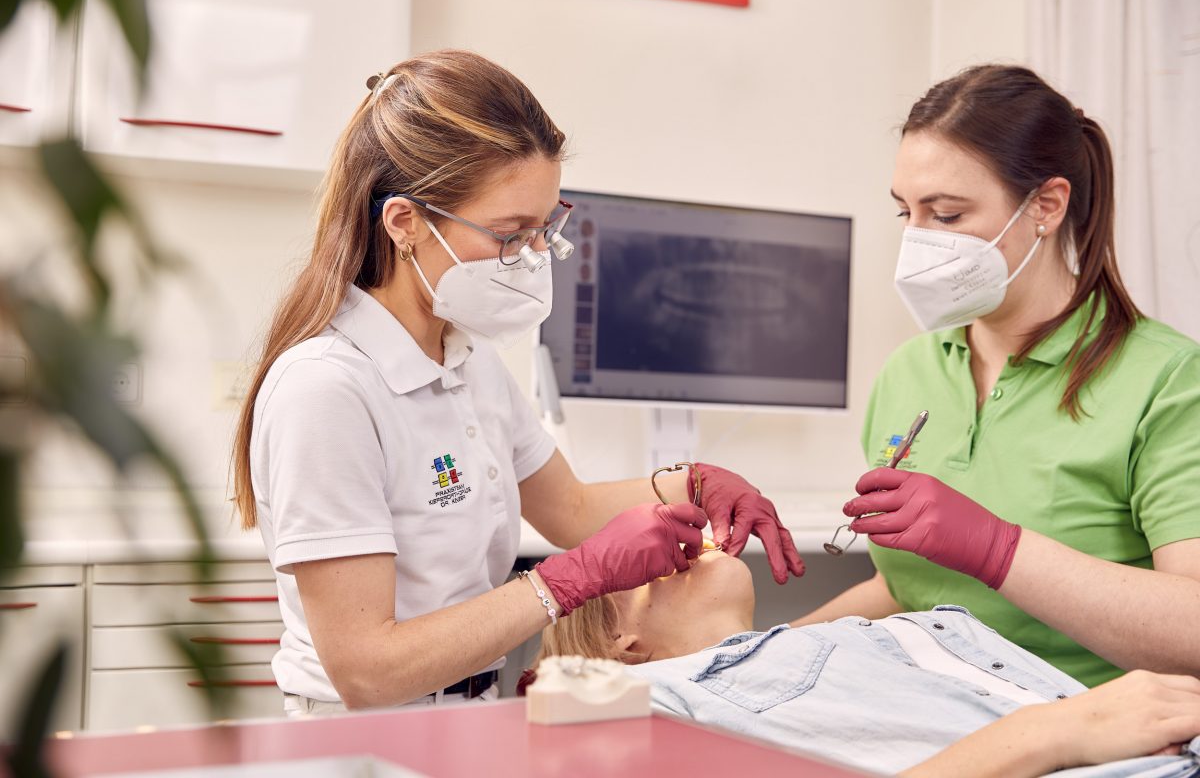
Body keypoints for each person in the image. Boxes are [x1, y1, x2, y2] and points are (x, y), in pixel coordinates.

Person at [230, 50, 804, 715]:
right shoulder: (326, 389)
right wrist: (568, 581)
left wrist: (696, 483)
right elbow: (366, 671)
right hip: (368, 731)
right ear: (405, 223)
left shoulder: (466, 359)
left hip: (470, 707)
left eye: (544, 229)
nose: (532, 258)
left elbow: (570, 510)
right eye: (509, 234)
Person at [801, 65, 1200, 687]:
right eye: (905, 212)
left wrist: (997, 548)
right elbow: (902, 590)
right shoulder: (910, 370)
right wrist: (762, 651)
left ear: (1046, 206)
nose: (916, 241)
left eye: (946, 215)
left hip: (1090, 718)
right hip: (929, 701)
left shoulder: (1168, 381)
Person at [528, 551, 1200, 778]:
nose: (675, 544)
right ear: (622, 646)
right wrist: (1058, 731)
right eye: (641, 564)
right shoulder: (658, 696)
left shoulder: (842, 638)